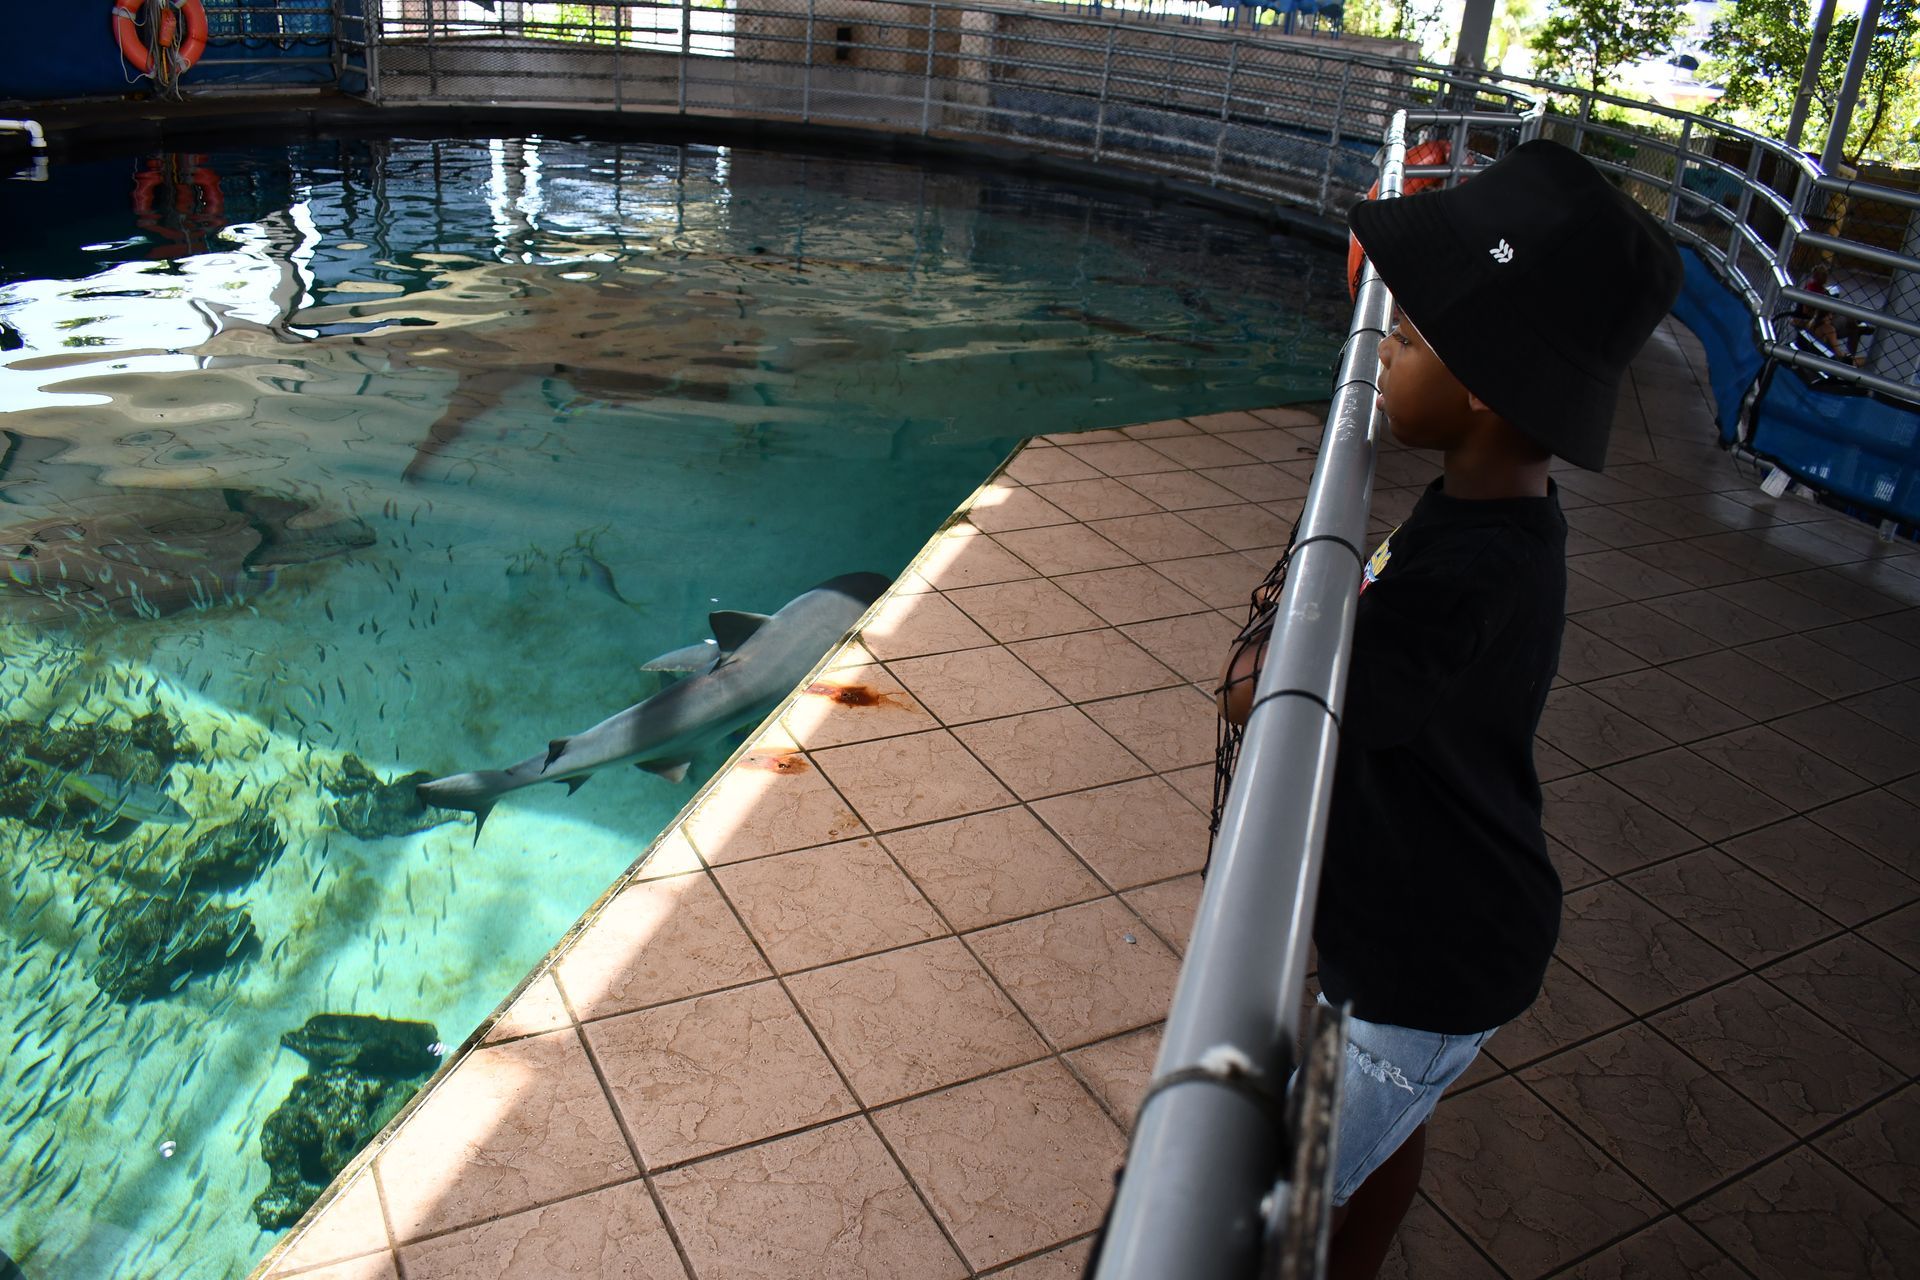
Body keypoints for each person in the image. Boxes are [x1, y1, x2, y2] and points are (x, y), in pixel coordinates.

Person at [1218, 139, 1683, 1278]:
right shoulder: (1486, 512)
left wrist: (1268, 650)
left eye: (1411, 339)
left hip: (1422, 961)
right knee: (1383, 1130)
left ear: (1484, 381)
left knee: (1280, 1196)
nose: (1380, 352)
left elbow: (1268, 695)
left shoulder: (1469, 575)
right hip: (1433, 923)